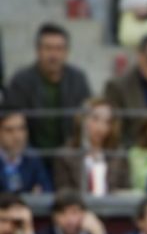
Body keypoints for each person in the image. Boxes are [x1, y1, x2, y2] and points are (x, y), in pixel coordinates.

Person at [4, 23, 93, 159]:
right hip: (30, 157)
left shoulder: (78, 80)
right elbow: (12, 120)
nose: (54, 55)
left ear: (66, 52)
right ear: (38, 50)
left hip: (69, 157)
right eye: (48, 48)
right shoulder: (21, 81)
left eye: (59, 49)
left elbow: (86, 117)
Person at [53, 98, 131, 194]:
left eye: (107, 122)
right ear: (82, 120)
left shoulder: (119, 155)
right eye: (95, 119)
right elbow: (64, 194)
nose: (101, 127)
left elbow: (125, 191)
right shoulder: (65, 156)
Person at [0, 110, 53, 194]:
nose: (17, 136)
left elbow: (46, 191)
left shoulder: (33, 158)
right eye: (9, 130)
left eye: (22, 129)